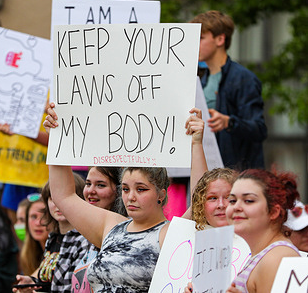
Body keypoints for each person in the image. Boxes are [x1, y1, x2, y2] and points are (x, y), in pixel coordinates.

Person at [43, 103, 206, 292]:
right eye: (126, 189)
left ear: (161, 194)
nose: (131, 197)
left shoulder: (168, 234)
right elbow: (64, 196)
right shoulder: (111, 226)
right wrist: (56, 138)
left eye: (141, 189)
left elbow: (200, 203)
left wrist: (196, 143)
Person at [190, 10, 267, 170]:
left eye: (201, 38)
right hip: (208, 172)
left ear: (220, 39)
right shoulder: (201, 79)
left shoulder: (243, 78)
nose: (194, 43)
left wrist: (229, 122)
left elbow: (259, 129)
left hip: (236, 176)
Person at [224, 169, 301, 292]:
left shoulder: (277, 258)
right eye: (232, 200)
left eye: (248, 200)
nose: (236, 207)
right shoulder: (265, 254)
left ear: (274, 212)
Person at [13, 174, 90, 293]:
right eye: (53, 198)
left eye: (65, 197)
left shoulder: (84, 239)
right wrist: (33, 283)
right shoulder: (53, 237)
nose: (58, 203)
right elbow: (50, 282)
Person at [72, 166, 127, 293]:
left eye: (100, 185)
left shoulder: (129, 232)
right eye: (88, 184)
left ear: (119, 191)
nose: (90, 191)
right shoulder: (75, 234)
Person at [19, 195, 49, 276]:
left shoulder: (59, 253)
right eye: (33, 217)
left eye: (45, 217)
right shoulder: (27, 254)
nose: (38, 223)